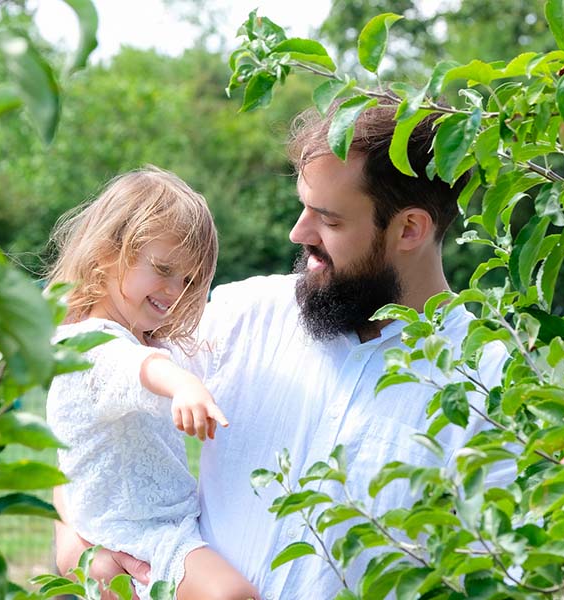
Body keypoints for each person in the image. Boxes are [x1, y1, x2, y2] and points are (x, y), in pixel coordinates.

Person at [54, 107, 510, 599]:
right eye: (304, 206)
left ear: (409, 230)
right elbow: (90, 411)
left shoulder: (487, 381)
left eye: (328, 219)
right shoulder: (242, 317)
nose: (298, 232)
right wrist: (78, 548)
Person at [45, 166, 259, 600]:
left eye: (190, 281)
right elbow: (134, 366)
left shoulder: (136, 334)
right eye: (163, 269)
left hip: (146, 529)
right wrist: (183, 386)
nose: (176, 292)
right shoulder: (90, 343)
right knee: (232, 596)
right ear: (108, 252)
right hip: (139, 536)